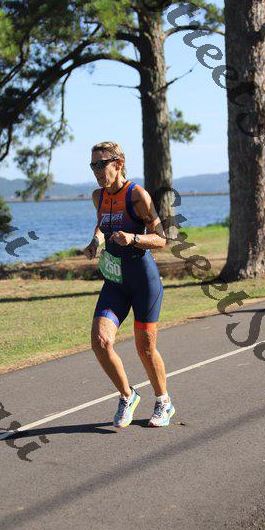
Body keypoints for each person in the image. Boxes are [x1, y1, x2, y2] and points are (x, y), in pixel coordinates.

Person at [83, 141, 176, 428]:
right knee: (100, 341)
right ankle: (128, 395)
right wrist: (95, 241)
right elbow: (102, 224)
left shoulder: (136, 195)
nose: (96, 170)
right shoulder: (98, 196)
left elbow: (161, 239)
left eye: (101, 164)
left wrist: (133, 238)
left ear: (119, 164)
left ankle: (164, 401)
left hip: (143, 281)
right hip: (115, 281)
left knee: (145, 348)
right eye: (93, 165)